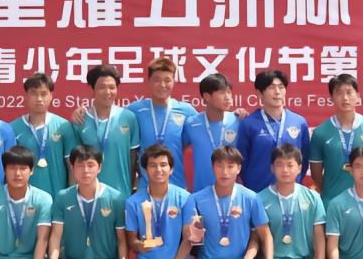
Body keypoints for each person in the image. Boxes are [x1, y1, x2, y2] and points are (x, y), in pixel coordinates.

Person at [182, 146, 273, 259]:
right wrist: (193, 233)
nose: (225, 172)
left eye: (230, 166)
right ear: (213, 168)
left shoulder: (251, 198)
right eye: (220, 166)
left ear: (238, 168)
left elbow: (265, 235)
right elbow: (192, 239)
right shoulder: (197, 199)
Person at [46, 145, 129, 259]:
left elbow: (122, 240)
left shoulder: (116, 198)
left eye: (91, 165)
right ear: (72, 167)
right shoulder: (63, 197)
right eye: (80, 165)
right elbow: (56, 236)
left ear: (99, 167)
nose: (85, 170)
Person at [310, 74, 363, 206]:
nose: (345, 98)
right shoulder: (320, 133)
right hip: (331, 202)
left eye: (349, 92)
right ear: (331, 98)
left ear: (358, 96)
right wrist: (331, 192)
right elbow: (316, 176)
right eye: (339, 93)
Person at [256, 144, 327, 259]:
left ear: (299, 168)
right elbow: (257, 236)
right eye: (279, 165)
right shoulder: (260, 199)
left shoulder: (313, 197)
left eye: (290, 165)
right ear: (272, 168)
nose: (285, 170)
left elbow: (319, 233)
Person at [125, 145, 195, 259]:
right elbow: (132, 240)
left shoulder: (185, 198)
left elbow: (189, 239)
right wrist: (139, 245)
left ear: (171, 169)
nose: (158, 170)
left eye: (163, 165)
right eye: (153, 165)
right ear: (145, 170)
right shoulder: (133, 202)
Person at [126, 57, 197, 189]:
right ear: (149, 81)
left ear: (174, 81)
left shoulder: (187, 111)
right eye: (157, 80)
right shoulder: (135, 110)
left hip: (177, 186)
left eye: (167, 80)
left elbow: (209, 127)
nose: (162, 85)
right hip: (145, 188)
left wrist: (235, 115)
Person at [237, 70, 309, 192]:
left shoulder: (299, 122)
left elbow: (304, 157)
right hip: (258, 192)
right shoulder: (249, 124)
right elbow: (242, 159)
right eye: (271, 87)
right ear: (260, 93)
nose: (277, 92)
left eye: (281, 87)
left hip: (290, 193)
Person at [10, 73, 79, 199]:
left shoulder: (64, 126)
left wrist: (70, 197)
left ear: (51, 96)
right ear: (26, 96)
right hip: (24, 199)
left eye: (43, 94)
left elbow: (72, 166)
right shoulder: (13, 128)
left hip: (57, 197)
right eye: (34, 93)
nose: (39, 98)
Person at [75, 65, 140, 196]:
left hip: (121, 193)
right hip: (89, 195)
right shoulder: (80, 121)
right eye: (101, 87)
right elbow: (75, 162)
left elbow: (133, 158)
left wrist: (133, 188)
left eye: (112, 87)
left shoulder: (128, 118)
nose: (107, 92)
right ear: (92, 89)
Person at [183, 73, 240, 192]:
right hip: (200, 192)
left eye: (229, 92)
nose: (228, 97)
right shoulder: (191, 124)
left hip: (231, 193)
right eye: (222, 92)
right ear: (207, 96)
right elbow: (177, 151)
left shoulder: (238, 121)